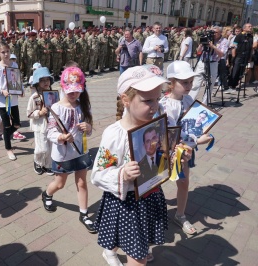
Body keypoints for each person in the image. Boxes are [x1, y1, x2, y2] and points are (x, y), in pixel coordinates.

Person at [91, 65, 170, 266]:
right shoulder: (114, 134)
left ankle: (112, 251)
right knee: (138, 258)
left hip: (150, 196)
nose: (155, 106)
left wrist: (174, 157)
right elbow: (98, 174)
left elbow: (159, 159)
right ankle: (118, 253)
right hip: (127, 203)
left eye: (157, 99)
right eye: (147, 100)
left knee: (123, 237)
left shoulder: (155, 126)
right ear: (126, 100)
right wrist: (122, 174)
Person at [159, 61, 213, 236]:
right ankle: (153, 217)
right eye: (184, 82)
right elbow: (170, 140)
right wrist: (197, 141)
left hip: (185, 152)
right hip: (167, 153)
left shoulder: (189, 99)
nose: (189, 86)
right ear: (171, 83)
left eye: (190, 81)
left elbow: (192, 125)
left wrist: (203, 128)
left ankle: (180, 214)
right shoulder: (165, 106)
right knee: (157, 183)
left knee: (183, 182)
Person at [41, 67, 95, 233]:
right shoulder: (56, 108)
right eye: (70, 91)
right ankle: (47, 194)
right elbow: (50, 132)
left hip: (80, 151)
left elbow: (90, 130)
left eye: (77, 91)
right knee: (60, 183)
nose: (74, 94)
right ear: (63, 88)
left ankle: (84, 214)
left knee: (82, 182)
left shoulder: (84, 106)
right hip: (63, 154)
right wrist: (61, 137)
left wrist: (88, 127)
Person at [0, 42, 23, 160]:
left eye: (7, 51)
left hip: (13, 100)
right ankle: (9, 148)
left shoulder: (14, 65)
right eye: (3, 52)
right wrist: (1, 90)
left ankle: (5, 135)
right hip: (2, 101)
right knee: (7, 126)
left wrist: (21, 90)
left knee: (17, 124)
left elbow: (18, 80)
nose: (6, 54)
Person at [26, 67, 54, 175]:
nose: (46, 82)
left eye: (47, 79)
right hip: (39, 126)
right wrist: (39, 113)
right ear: (37, 82)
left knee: (50, 147)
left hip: (51, 125)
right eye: (42, 80)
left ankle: (48, 165)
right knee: (41, 148)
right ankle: (37, 162)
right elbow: (29, 113)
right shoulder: (34, 97)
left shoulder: (53, 94)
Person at [190, 26, 228, 104]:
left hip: (213, 63)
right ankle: (190, 102)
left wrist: (212, 46)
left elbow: (221, 54)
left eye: (215, 33)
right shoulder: (207, 38)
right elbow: (198, 52)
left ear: (220, 32)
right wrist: (201, 44)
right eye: (211, 32)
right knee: (195, 84)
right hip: (202, 62)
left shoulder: (224, 41)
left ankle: (205, 103)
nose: (213, 34)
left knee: (209, 85)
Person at [226, 23, 254, 94]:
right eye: (249, 26)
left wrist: (250, 57)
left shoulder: (251, 37)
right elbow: (234, 46)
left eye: (251, 26)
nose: (251, 27)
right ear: (244, 28)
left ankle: (235, 84)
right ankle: (230, 85)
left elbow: (251, 48)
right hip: (239, 56)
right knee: (235, 70)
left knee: (241, 72)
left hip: (246, 57)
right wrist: (233, 56)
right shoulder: (239, 36)